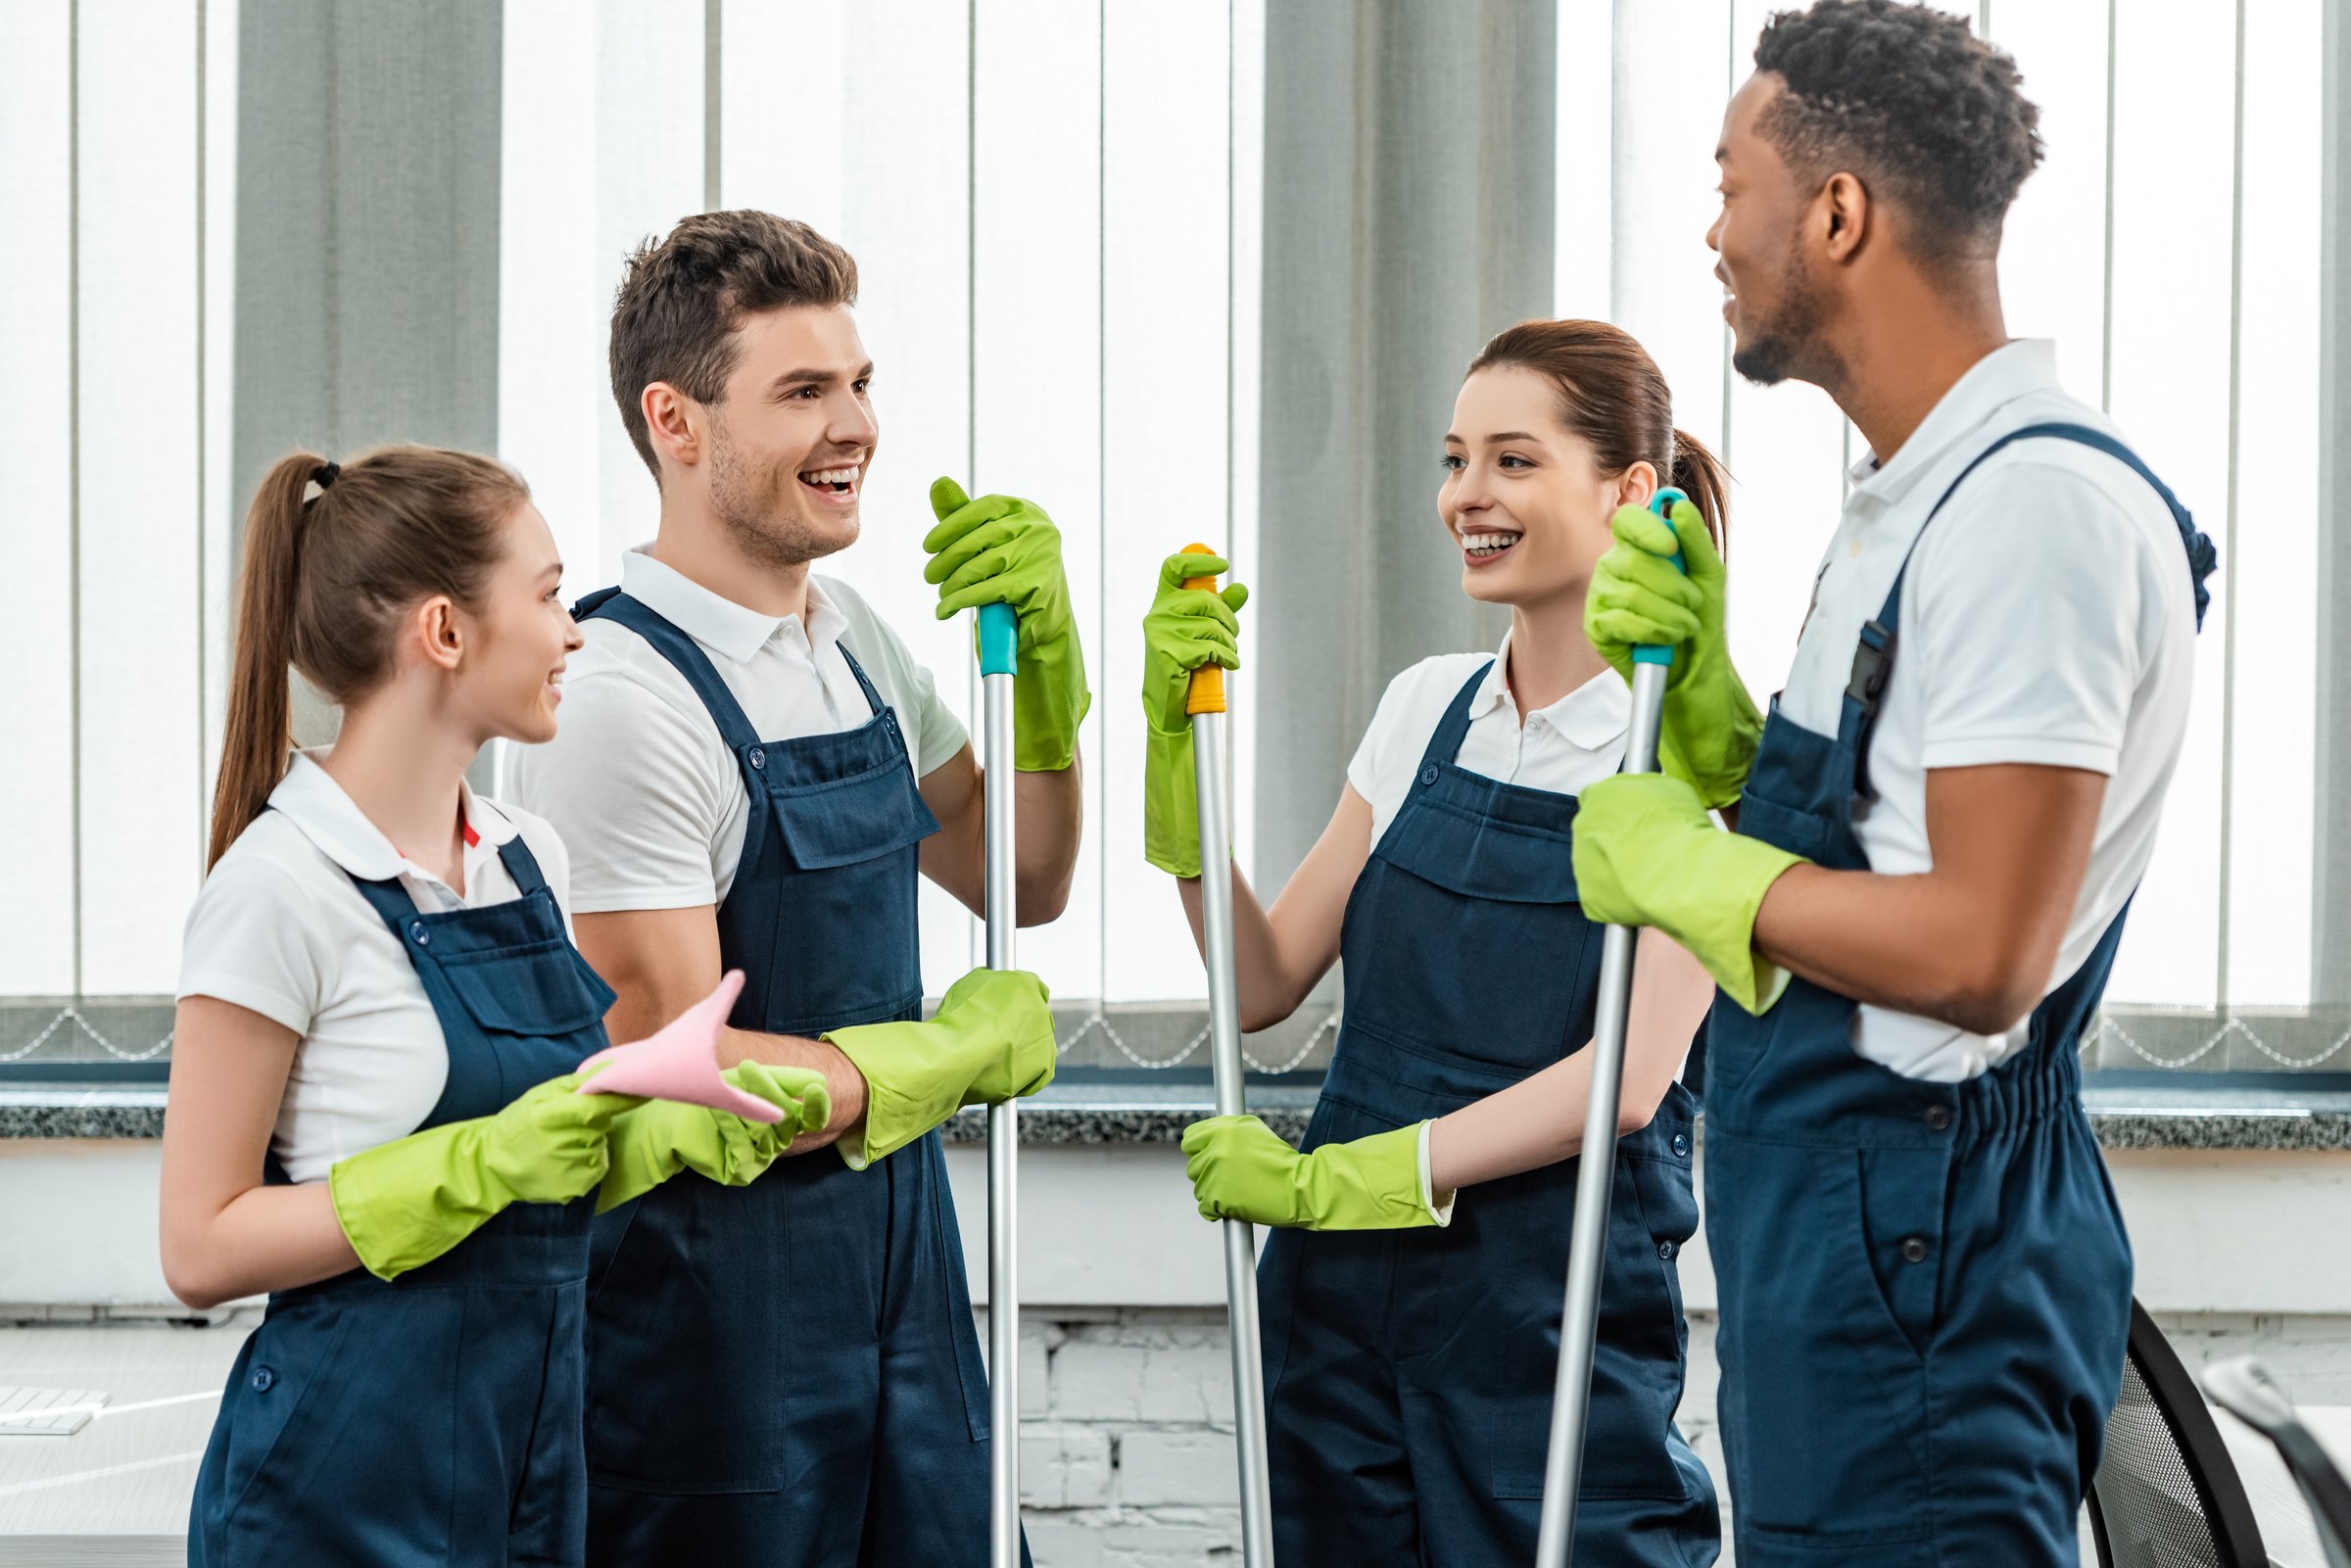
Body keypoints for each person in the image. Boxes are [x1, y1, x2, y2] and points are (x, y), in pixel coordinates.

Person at [1568, 5, 2218, 1563]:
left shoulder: (2030, 512)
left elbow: (1982, 948)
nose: (1712, 230)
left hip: (1928, 1250)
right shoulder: (1911, 500)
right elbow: (1877, 832)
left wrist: (1697, 873)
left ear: (1838, 211)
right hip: (1847, 1241)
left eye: (1732, 185)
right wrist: (1719, 726)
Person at [506, 210, 1079, 1565]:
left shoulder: (852, 637)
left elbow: (1027, 878)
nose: (855, 426)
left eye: (861, 383)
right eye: (803, 391)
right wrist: (936, 1061)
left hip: (904, 1278)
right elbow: (660, 1053)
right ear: (677, 421)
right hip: (714, 1325)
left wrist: (1050, 686)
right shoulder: (615, 695)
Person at [168, 447, 827, 1566]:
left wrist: (644, 1129)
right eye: (548, 594)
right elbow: (200, 1243)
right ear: (444, 632)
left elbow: (548, 1152)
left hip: (532, 1456)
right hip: (342, 1485)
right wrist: (471, 1165)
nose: (573, 632)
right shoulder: (279, 888)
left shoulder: (531, 858)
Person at [1155, 320, 1724, 1567]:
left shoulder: (1686, 751)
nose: (1468, 494)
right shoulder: (1425, 706)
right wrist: (1176, 794)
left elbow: (1628, 1081)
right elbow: (1261, 982)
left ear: (1630, 490)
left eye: (1514, 461)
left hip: (1540, 1319)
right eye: (1457, 458)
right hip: (1338, 1310)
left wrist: (1356, 1178)